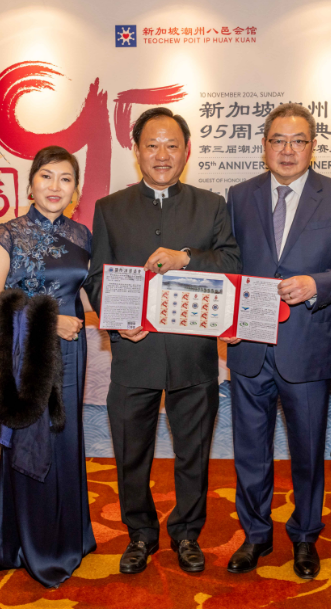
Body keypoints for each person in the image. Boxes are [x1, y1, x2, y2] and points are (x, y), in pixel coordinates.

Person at [85, 107, 241, 575]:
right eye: (151, 145)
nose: (162, 154)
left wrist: (186, 257)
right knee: (131, 451)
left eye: (172, 145)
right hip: (134, 353)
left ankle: (187, 534)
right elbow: (97, 278)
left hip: (194, 356)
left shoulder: (211, 205)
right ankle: (140, 534)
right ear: (135, 151)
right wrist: (116, 320)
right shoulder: (110, 208)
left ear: (187, 152)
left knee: (194, 453)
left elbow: (232, 263)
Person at [223, 103, 331, 579]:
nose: (287, 150)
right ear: (264, 145)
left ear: (313, 146)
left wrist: (316, 285)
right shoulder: (238, 195)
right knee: (250, 452)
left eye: (298, 141)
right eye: (278, 140)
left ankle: (305, 536)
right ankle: (255, 535)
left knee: (306, 453)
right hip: (248, 347)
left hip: (307, 346)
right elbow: (228, 264)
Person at [0, 146, 96, 588]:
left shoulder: (82, 234)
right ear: (30, 185)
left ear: (76, 190)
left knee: (66, 440)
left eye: (66, 179)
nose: (55, 186)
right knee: (34, 443)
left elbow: (92, 292)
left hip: (72, 353)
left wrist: (129, 314)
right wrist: (50, 319)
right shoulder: (8, 234)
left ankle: (70, 536)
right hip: (28, 356)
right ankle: (37, 546)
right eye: (46, 176)